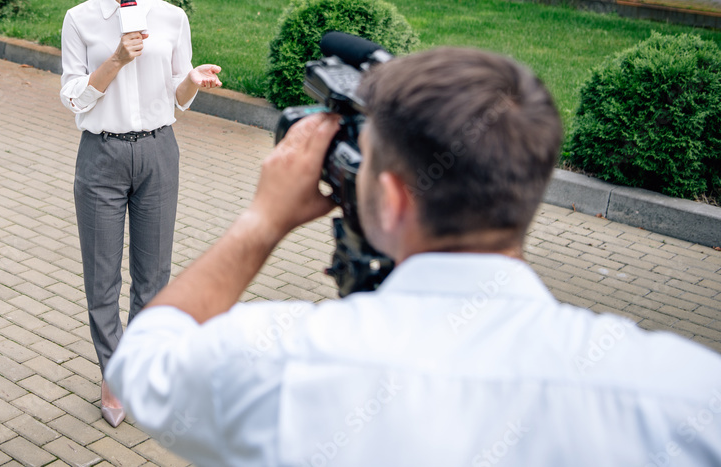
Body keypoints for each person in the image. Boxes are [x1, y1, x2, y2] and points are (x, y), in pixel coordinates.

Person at [105, 46, 721, 464]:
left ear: (394, 200)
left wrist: (262, 221)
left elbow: (141, 362)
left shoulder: (282, 359)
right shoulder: (681, 393)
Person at [60, 0, 222, 428]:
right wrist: (115, 61)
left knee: (153, 277)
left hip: (157, 152)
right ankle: (113, 374)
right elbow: (74, 101)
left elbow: (176, 99)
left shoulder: (172, 17)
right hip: (101, 156)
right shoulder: (81, 19)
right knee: (102, 278)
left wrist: (193, 79)